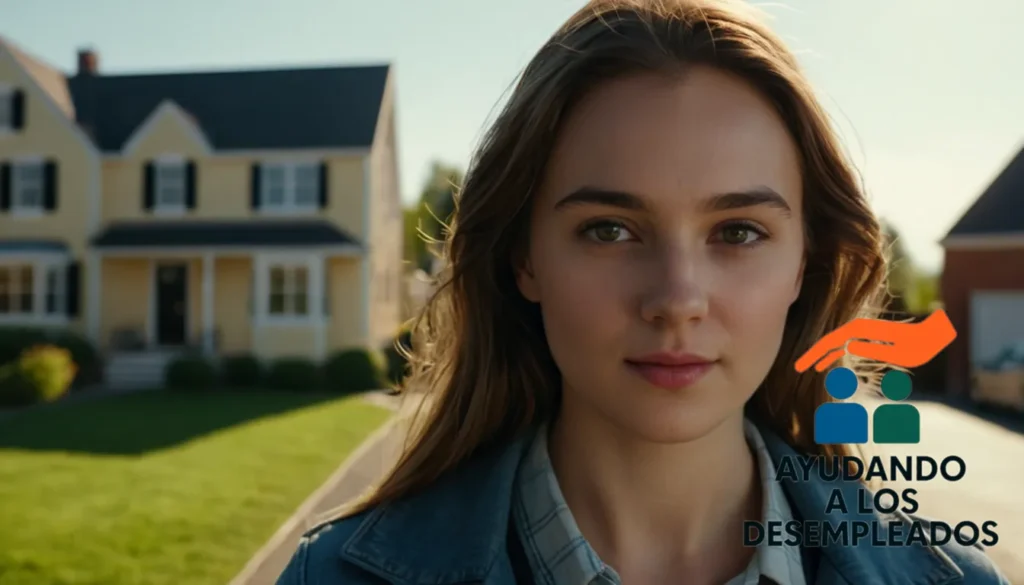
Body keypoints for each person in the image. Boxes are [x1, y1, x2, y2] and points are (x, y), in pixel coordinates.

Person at [277, 0, 1008, 583]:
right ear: (523, 258)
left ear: (804, 265)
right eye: (609, 230)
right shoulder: (333, 576)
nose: (677, 297)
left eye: (739, 232)